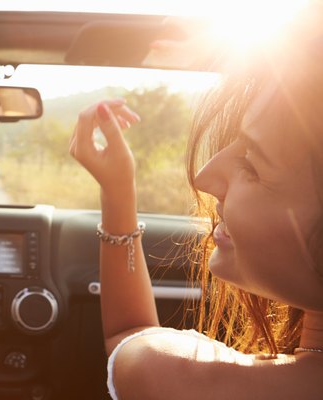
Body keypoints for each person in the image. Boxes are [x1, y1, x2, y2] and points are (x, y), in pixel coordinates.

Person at [69, 4, 323, 399]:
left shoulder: (179, 380)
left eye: (252, 164)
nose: (205, 178)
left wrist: (118, 190)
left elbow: (129, 339)